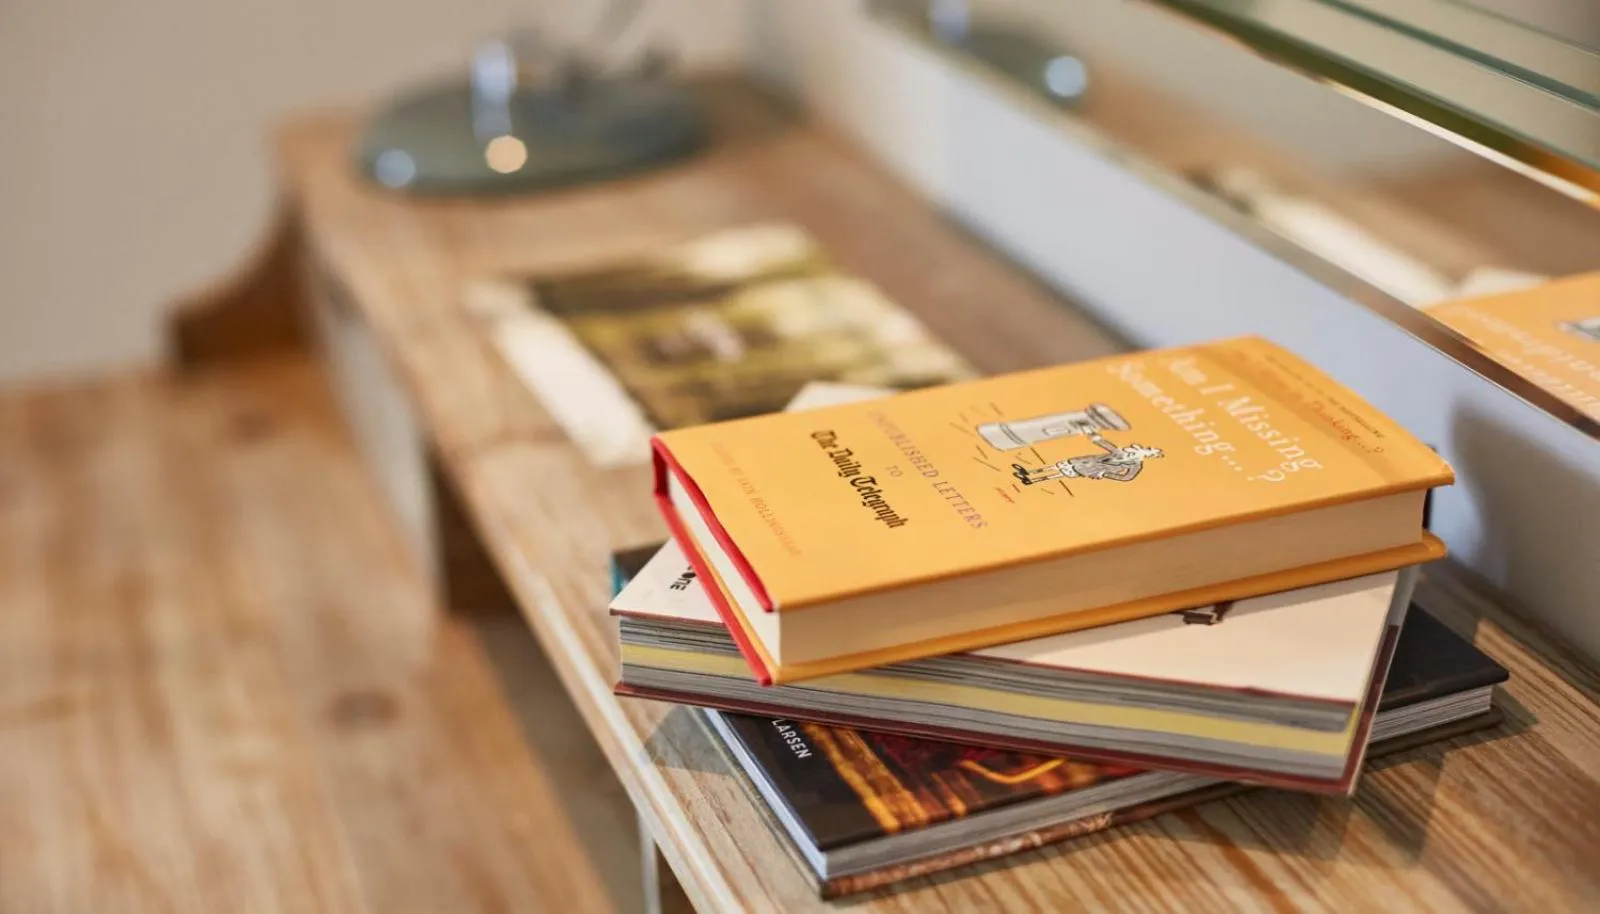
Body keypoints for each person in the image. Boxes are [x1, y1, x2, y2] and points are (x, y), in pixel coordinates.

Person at [1012, 432, 1163, 485]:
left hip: (1093, 469)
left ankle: (1034, 480)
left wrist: (1105, 474)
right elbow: (1109, 446)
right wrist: (1096, 438)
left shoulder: (1135, 466)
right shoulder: (1120, 453)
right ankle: (1031, 472)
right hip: (1086, 461)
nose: (1128, 453)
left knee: (1062, 473)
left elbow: (1126, 478)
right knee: (1059, 466)